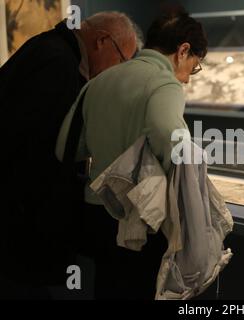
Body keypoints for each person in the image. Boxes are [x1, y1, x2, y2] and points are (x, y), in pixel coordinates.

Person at [55, 5, 208, 299]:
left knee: (107, 290)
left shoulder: (98, 81)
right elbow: (171, 142)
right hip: (139, 221)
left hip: (96, 217)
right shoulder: (166, 84)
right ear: (183, 50)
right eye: (194, 66)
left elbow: (66, 148)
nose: (189, 77)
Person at [0, 12, 142, 299]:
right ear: (102, 41)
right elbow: (36, 152)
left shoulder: (51, 49)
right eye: (122, 61)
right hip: (18, 231)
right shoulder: (58, 63)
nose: (118, 71)